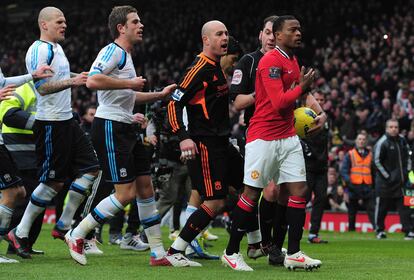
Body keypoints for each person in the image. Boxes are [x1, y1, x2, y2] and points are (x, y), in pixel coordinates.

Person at [64, 6, 180, 266]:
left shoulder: (125, 56)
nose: (141, 26)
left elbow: (129, 96)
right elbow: (93, 81)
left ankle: (158, 254)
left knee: (145, 189)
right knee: (125, 194)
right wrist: (130, 83)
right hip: (110, 127)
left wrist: (158, 95)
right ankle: (77, 234)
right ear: (121, 27)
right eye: (135, 22)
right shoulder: (112, 51)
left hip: (125, 126)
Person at [221, 15, 321, 271]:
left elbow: (298, 94)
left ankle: (295, 253)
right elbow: (278, 102)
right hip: (263, 137)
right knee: (252, 194)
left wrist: (316, 110)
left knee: (298, 191)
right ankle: (231, 252)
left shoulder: (292, 60)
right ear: (278, 35)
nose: (299, 33)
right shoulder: (269, 62)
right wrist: (303, 87)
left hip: (287, 137)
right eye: (293, 30)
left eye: (299, 29)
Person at [6, 7, 100, 259]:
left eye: (65, 21)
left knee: (92, 168)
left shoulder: (57, 48)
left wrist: (75, 75)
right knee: (52, 181)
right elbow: (43, 87)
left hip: (66, 119)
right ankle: (21, 231)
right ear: (44, 24)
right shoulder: (39, 49)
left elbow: (57, 75)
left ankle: (62, 225)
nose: (64, 25)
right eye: (59, 21)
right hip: (51, 123)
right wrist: (73, 82)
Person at [166, 20, 243, 267]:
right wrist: (183, 137)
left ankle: (258, 244)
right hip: (205, 143)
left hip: (222, 141)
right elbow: (173, 103)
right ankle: (175, 251)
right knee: (215, 201)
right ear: (206, 39)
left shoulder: (217, 67)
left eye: (226, 33)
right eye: (219, 34)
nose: (225, 38)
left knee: (247, 187)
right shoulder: (198, 68)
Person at [373, 119, 414, 239]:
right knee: (382, 208)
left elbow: (409, 158)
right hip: (385, 183)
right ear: (386, 128)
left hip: (401, 183)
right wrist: (388, 177)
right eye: (391, 127)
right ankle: (379, 230)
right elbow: (376, 162)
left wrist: (407, 172)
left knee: (405, 208)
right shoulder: (382, 142)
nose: (394, 129)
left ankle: (408, 231)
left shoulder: (402, 141)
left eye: (396, 127)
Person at [303, 90, 329, 243]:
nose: (319, 102)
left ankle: (313, 233)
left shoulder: (326, 120)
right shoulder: (302, 116)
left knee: (321, 199)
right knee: (302, 199)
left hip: (322, 167)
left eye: (322, 99)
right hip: (307, 166)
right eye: (316, 99)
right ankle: (292, 227)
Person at [340, 132, 375, 231]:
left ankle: (377, 230)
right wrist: (349, 183)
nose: (361, 141)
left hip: (367, 186)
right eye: (359, 139)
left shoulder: (370, 155)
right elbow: (344, 171)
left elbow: (374, 171)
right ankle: (351, 230)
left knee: (371, 210)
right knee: (352, 212)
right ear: (356, 141)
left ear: (366, 142)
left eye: (363, 139)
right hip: (353, 186)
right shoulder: (350, 154)